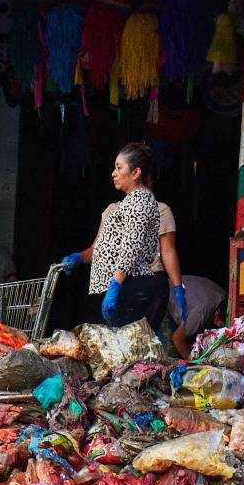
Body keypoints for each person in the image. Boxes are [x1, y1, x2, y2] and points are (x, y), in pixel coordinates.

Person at [56, 142, 161, 328]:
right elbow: (103, 247)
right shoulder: (124, 204)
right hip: (118, 286)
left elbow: (131, 246)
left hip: (130, 285)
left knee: (122, 349)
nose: (113, 173)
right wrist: (80, 257)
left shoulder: (141, 199)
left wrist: (116, 285)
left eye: (119, 168)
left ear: (136, 173)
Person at [169, 275, 227, 359]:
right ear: (217, 313)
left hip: (176, 286)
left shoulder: (221, 294)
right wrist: (195, 364)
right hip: (164, 299)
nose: (218, 325)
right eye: (219, 323)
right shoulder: (200, 313)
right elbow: (177, 339)